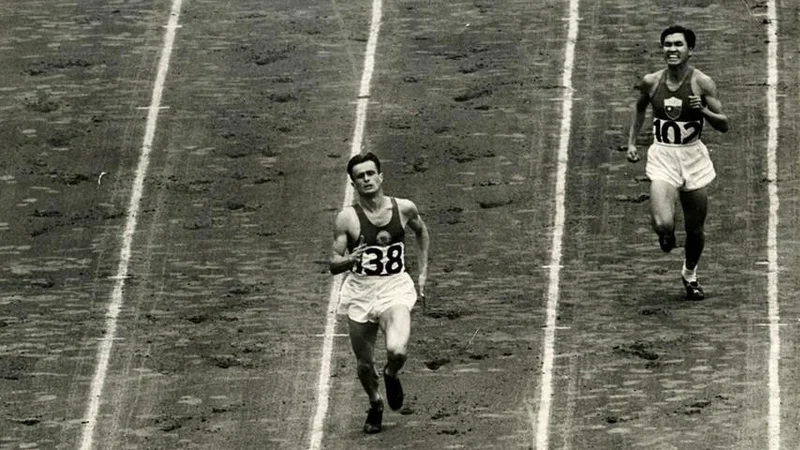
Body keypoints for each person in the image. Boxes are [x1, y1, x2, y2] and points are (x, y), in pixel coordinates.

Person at [626, 25, 729, 300]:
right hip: (663, 156)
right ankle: (666, 234)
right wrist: (632, 142)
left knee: (695, 229)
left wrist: (703, 110)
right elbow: (639, 107)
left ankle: (690, 274)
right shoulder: (651, 81)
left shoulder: (703, 83)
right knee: (663, 224)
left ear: (690, 50)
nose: (672, 49)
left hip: (693, 158)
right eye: (667, 44)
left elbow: (724, 125)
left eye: (678, 45)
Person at [329, 152, 430, 433]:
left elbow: (422, 232)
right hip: (360, 291)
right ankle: (375, 402)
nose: (367, 179)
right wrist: (350, 260)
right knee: (364, 364)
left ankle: (391, 373)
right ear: (353, 183)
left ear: (380, 176)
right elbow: (333, 264)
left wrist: (422, 272)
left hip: (394, 287)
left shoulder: (404, 208)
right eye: (360, 176)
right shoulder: (347, 219)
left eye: (370, 173)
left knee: (397, 350)